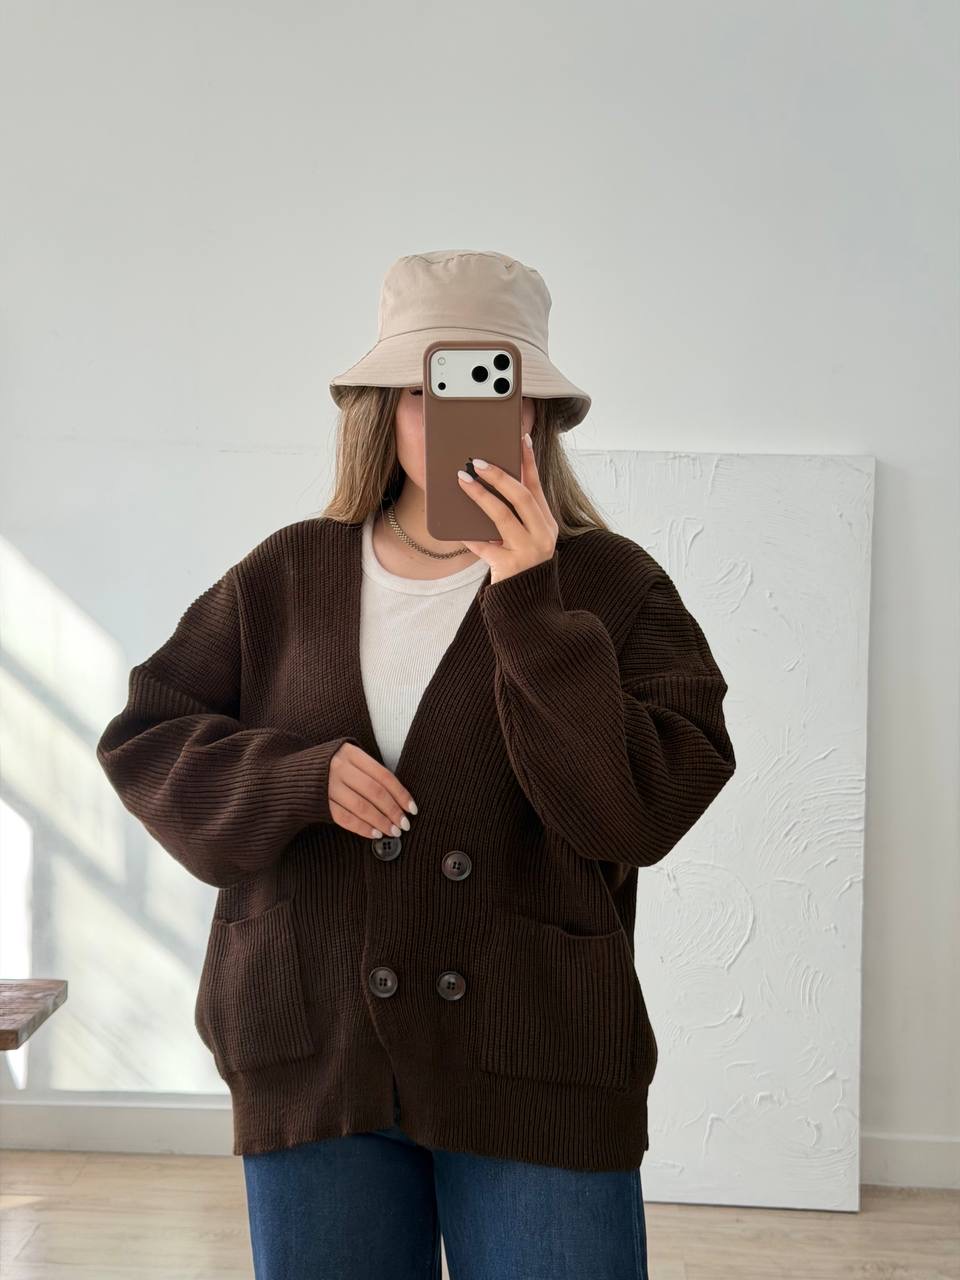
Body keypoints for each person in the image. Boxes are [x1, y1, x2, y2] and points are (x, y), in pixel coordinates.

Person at [97, 249, 737, 1280]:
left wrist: (529, 600)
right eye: (425, 392)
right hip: (318, 1051)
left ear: (533, 415)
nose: (454, 421)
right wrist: (296, 778)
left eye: (491, 390)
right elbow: (147, 735)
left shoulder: (613, 586)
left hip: (536, 1057)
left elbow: (636, 812)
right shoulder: (286, 572)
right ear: (381, 411)